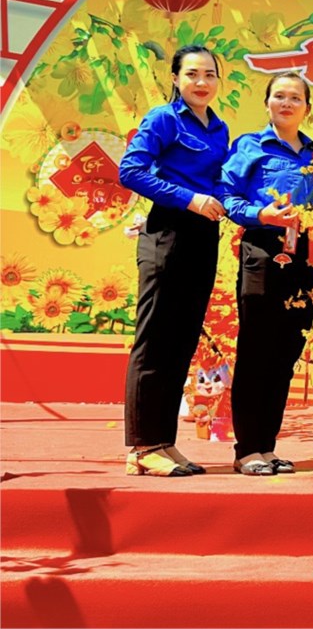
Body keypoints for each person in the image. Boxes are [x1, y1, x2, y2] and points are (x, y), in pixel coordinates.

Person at [120, 45, 229, 477]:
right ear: (175, 78)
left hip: (203, 237)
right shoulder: (164, 119)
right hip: (167, 232)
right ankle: (141, 447)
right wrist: (189, 198)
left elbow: (221, 184)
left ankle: (163, 441)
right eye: (192, 74)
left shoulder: (219, 128)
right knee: (154, 342)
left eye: (209, 74)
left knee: (181, 342)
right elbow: (131, 171)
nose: (202, 82)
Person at [219, 72, 313, 476]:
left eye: (295, 98)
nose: (287, 103)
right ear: (267, 104)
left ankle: (267, 445)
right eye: (279, 96)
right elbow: (227, 197)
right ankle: (247, 449)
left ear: (307, 108)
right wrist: (260, 213)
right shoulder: (250, 146)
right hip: (263, 251)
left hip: (305, 257)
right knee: (257, 350)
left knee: (286, 353)